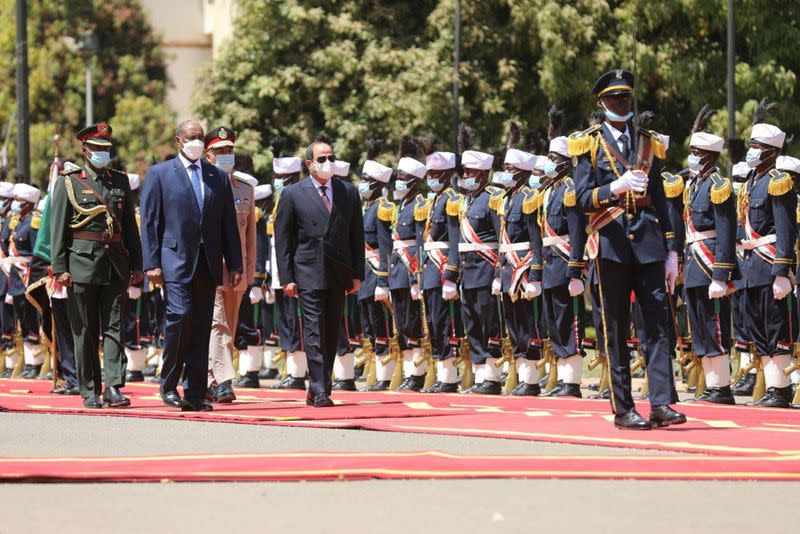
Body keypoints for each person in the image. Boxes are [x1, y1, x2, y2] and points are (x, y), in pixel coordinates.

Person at [570, 69, 685, 429]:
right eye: (615, 99)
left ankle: (662, 403)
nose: (622, 104)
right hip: (612, 244)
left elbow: (664, 202)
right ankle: (623, 408)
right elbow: (581, 199)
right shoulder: (587, 143)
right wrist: (614, 187)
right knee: (616, 327)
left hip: (649, 243)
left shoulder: (648, 142)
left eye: (627, 98)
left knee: (657, 325)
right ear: (601, 102)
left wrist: (671, 251)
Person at [140, 119, 242, 412]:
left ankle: (195, 393)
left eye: (200, 137)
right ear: (179, 141)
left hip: (207, 262)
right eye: (191, 137)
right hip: (174, 261)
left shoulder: (217, 177)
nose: (197, 141)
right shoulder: (160, 174)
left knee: (200, 326)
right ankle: (169, 384)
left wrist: (234, 263)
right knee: (179, 317)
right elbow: (150, 222)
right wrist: (152, 263)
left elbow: (228, 225)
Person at [50, 123, 143, 408]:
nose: (102, 154)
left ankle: (114, 386)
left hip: (115, 263)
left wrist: (138, 264)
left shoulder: (120, 181)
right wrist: (60, 266)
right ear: (84, 150)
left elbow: (129, 228)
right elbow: (58, 229)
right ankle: (89, 388)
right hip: (81, 263)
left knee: (115, 328)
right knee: (85, 330)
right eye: (97, 149)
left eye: (106, 149)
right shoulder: (69, 181)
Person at [274, 137, 365, 407]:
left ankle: (318, 386)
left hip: (338, 272)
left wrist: (357, 273)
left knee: (330, 330)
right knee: (313, 330)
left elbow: (355, 236)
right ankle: (320, 387)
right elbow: (284, 239)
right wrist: (287, 277)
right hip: (308, 271)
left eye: (331, 157)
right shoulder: (293, 193)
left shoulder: (348, 192)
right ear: (309, 164)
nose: (328, 163)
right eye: (322, 158)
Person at [739, 100, 796, 408]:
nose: (752, 150)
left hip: (769, 263)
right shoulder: (751, 182)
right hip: (751, 266)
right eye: (750, 145)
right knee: (756, 326)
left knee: (775, 327)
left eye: (756, 146)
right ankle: (773, 386)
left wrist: (781, 271)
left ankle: (780, 389)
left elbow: (787, 230)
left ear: (771, 152)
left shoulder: (778, 182)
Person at [681, 106, 739, 405]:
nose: (690, 156)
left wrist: (721, 274)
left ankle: (722, 387)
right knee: (699, 326)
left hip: (710, 264)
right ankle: (711, 385)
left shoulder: (719, 186)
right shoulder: (693, 187)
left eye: (694, 151)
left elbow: (727, 232)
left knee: (715, 326)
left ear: (705, 155)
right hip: (694, 264)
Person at [204, 127, 257, 403]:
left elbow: (250, 238)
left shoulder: (245, 189)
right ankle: (225, 382)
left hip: (237, 272)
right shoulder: (202, 185)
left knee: (230, 326)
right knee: (218, 324)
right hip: (210, 268)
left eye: (230, 150)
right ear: (208, 155)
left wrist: (249, 272)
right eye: (221, 151)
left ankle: (210, 380)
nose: (227, 155)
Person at [493, 122, 545, 396]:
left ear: (523, 173)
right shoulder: (507, 198)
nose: (506, 173)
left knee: (527, 324)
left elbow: (536, 238)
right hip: (507, 268)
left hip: (523, 269)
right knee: (513, 324)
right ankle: (524, 375)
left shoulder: (529, 197)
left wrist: (535, 274)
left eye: (511, 170)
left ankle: (532, 379)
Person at [539, 113, 588, 398]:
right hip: (549, 265)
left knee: (567, 322)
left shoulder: (570, 190)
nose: (547, 161)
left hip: (564, 264)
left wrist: (576, 270)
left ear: (564, 162)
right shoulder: (549, 191)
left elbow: (577, 232)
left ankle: (571, 382)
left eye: (552, 157)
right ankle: (562, 377)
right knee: (553, 322)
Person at [453, 124, 504, 395]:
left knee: (488, 323)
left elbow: (501, 238)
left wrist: (498, 273)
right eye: (466, 172)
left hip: (486, 269)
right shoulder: (466, 201)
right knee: (471, 323)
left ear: (484, 174)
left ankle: (492, 377)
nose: (468, 176)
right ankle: (482, 374)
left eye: (472, 173)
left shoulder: (492, 199)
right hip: (467, 271)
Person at [419, 138, 462, 393]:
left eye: (435, 174)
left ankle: (448, 377)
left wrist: (451, 276)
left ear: (446, 175)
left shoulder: (451, 199)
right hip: (429, 268)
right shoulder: (434, 199)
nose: (430, 178)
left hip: (442, 266)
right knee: (433, 322)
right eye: (429, 174)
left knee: (443, 322)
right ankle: (441, 372)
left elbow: (454, 239)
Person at [388, 136, 429, 391]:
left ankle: (417, 373)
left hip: (411, 271)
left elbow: (420, 242)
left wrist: (417, 278)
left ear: (414, 181)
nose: (398, 181)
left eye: (403, 177)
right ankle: (407, 371)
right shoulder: (399, 206)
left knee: (413, 324)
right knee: (401, 324)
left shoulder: (420, 206)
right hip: (397, 271)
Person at [267, 137, 307, 390]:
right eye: (277, 177)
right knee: (284, 322)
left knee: (297, 323)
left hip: (293, 271)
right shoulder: (277, 202)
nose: (279, 182)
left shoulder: (299, 199)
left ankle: (299, 373)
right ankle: (291, 371)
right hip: (277, 273)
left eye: (284, 178)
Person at [357, 141, 395, 391]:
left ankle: (386, 375)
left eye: (366, 179)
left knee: (381, 326)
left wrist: (383, 280)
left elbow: (385, 247)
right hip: (364, 276)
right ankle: (377, 372)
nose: (362, 183)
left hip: (375, 275)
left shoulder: (382, 208)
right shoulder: (365, 208)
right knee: (370, 325)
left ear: (377, 184)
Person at [7, 183, 43, 379]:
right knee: (24, 322)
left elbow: (37, 252)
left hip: (28, 276)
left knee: (32, 321)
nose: (15, 204)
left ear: (29, 204)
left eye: (19, 201)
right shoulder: (17, 222)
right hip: (16, 278)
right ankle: (29, 363)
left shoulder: (33, 222)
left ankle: (36, 363)